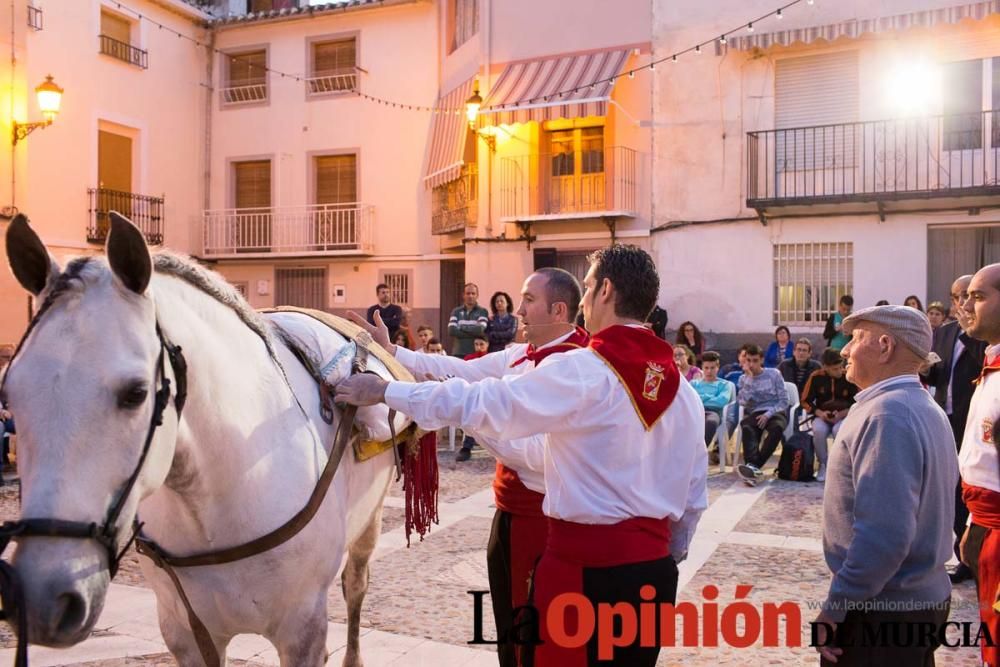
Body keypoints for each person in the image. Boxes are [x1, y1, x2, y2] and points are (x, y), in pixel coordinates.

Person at [335, 245, 708, 667]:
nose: (583, 303)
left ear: (605, 291)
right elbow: (694, 499)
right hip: (652, 576)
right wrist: (663, 557)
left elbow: (485, 401)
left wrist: (387, 392)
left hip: (582, 571)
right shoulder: (685, 394)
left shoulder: (584, 371)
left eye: (586, 289)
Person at [349, 267, 589, 667]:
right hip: (509, 510)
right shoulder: (520, 353)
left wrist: (461, 413)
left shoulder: (574, 367)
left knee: (535, 629)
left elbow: (536, 455)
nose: (519, 311)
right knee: (508, 624)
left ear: (559, 310)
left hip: (544, 518)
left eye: (529, 300)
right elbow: (462, 370)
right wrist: (394, 353)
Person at [813, 305, 955, 666]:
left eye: (857, 339)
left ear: (885, 346)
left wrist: (836, 607)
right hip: (914, 601)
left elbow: (884, 535)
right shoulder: (919, 405)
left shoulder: (888, 414)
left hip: (884, 609)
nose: (845, 349)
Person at [921, 274, 986, 584]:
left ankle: (979, 557)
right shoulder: (944, 333)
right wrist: (927, 370)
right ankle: (964, 559)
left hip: (972, 424)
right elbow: (940, 376)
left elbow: (982, 364)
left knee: (973, 490)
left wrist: (969, 333)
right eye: (956, 296)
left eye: (968, 295)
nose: (962, 302)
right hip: (943, 420)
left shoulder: (984, 334)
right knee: (952, 491)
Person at [957, 264, 1000, 667]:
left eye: (979, 296)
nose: (967, 305)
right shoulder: (991, 365)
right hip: (985, 522)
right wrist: (973, 522)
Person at [800, 348, 858, 482]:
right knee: (818, 430)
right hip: (822, 415)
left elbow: (857, 401)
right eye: (835, 369)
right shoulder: (816, 377)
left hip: (844, 416)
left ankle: (840, 466)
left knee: (839, 430)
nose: (839, 371)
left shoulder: (848, 376)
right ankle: (823, 464)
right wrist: (819, 412)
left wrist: (843, 413)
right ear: (825, 367)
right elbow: (805, 400)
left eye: (840, 367)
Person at [736, 344, 789, 486]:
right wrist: (749, 380)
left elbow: (784, 400)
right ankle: (753, 469)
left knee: (776, 428)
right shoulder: (743, 379)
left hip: (776, 410)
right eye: (748, 360)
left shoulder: (774, 374)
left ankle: (754, 467)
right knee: (747, 426)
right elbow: (742, 402)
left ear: (761, 360)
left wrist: (769, 414)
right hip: (756, 412)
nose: (751, 364)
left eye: (755, 360)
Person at [691, 351, 735, 461]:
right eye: (706, 368)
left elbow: (721, 402)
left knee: (711, 421)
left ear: (718, 368)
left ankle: (698, 454)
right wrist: (710, 397)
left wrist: (700, 397)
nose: (709, 371)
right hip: (694, 412)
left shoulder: (725, 384)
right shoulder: (694, 383)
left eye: (712, 368)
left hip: (713, 413)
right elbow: (690, 400)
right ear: (702, 368)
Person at [448, 283, 489, 358]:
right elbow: (451, 331)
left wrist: (461, 327)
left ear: (477, 295)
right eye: (468, 293)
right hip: (458, 352)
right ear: (463, 295)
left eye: (473, 293)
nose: (470, 296)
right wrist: (473, 331)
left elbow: (480, 330)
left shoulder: (483, 311)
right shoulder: (456, 311)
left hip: (475, 354)